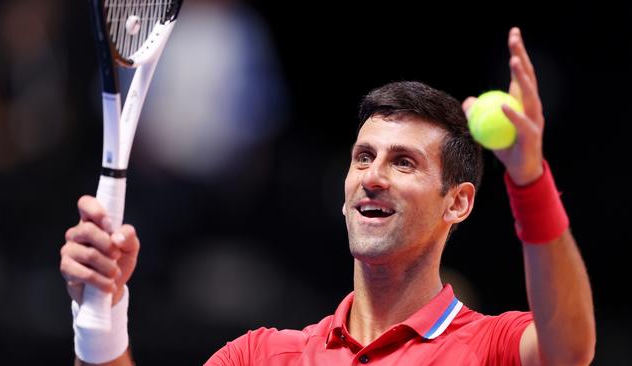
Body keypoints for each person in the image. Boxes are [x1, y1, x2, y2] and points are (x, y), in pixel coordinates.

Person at [60, 27, 595, 365]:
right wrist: (101, 315)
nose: (373, 176)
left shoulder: (491, 348)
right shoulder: (261, 357)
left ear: (457, 203)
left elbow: (569, 350)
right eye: (364, 157)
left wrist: (529, 179)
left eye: (403, 161)